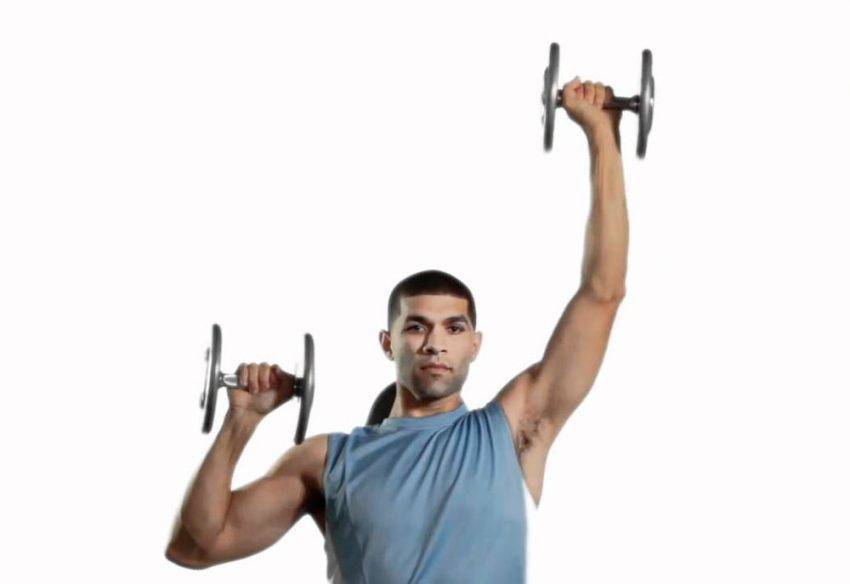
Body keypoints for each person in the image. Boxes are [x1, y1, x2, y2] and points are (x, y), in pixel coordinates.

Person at [165, 76, 629, 582]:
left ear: (475, 344)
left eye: (454, 328)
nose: (435, 344)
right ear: (388, 343)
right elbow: (195, 546)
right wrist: (242, 421)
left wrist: (602, 134)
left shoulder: (514, 430)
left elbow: (602, 293)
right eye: (416, 327)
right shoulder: (329, 460)